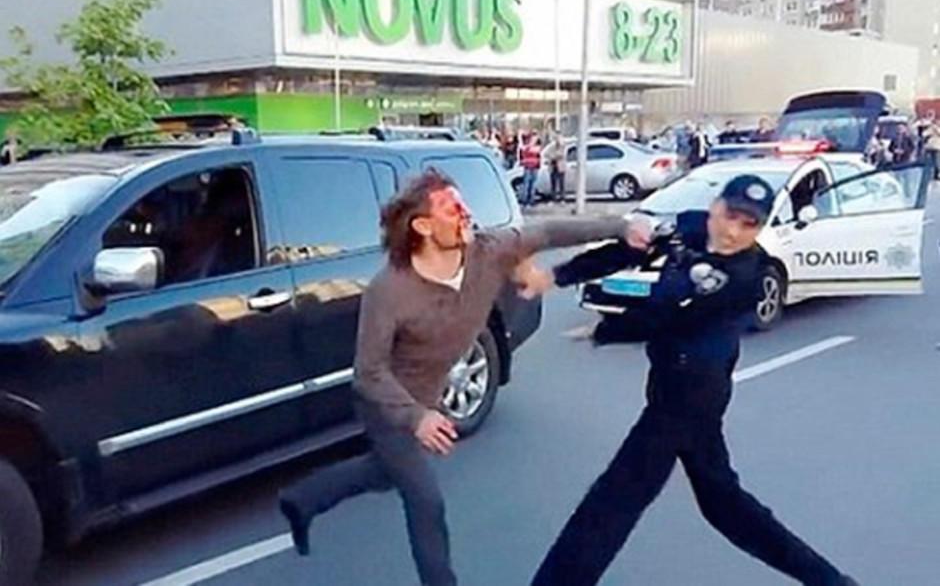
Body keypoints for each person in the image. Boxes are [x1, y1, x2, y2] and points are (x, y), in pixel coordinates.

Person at [278, 170, 645, 586]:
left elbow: (549, 230)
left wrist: (621, 225)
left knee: (383, 475)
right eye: (451, 208)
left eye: (463, 203)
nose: (466, 213)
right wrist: (416, 417)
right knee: (425, 502)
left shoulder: (488, 251)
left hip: (430, 394)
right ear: (422, 226)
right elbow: (369, 373)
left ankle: (301, 499)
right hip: (390, 404)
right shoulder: (390, 290)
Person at [518, 175, 858, 586]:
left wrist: (605, 330)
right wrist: (554, 277)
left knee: (613, 500)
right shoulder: (691, 228)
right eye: (730, 215)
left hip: (692, 393)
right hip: (672, 381)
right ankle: (832, 582)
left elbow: (673, 316)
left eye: (749, 223)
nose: (734, 230)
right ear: (715, 206)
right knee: (724, 506)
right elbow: (625, 252)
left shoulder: (745, 277)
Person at [519, 132, 542, 207]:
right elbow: (523, 152)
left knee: (533, 184)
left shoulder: (535, 147)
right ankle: (525, 200)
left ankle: (531, 200)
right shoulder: (525, 146)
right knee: (527, 183)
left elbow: (538, 154)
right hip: (528, 166)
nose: (535, 140)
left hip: (534, 166)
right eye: (534, 138)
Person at [547, 130, 567, 203]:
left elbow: (561, 154)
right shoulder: (551, 145)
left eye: (557, 136)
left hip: (560, 166)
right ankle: (553, 198)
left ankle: (562, 198)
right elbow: (547, 154)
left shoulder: (563, 144)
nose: (556, 138)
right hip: (553, 165)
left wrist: (553, 156)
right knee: (553, 183)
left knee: (561, 183)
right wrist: (552, 157)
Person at [923, 114, 940, 180]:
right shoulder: (931, 128)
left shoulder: (937, 128)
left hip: (937, 147)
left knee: (937, 161)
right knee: (929, 161)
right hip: (929, 147)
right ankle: (929, 174)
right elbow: (924, 134)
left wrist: (935, 128)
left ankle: (937, 174)